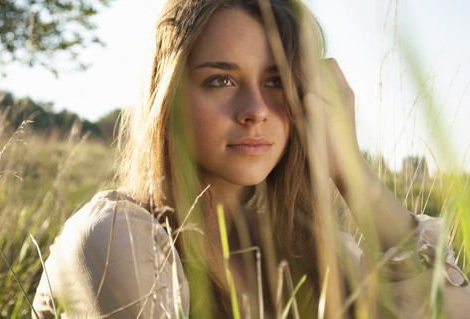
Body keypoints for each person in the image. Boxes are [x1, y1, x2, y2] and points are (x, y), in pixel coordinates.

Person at [32, 0, 470, 318]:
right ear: (169, 98)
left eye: (277, 81)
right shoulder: (114, 238)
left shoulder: (313, 248)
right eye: (220, 79)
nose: (256, 109)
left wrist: (351, 173)